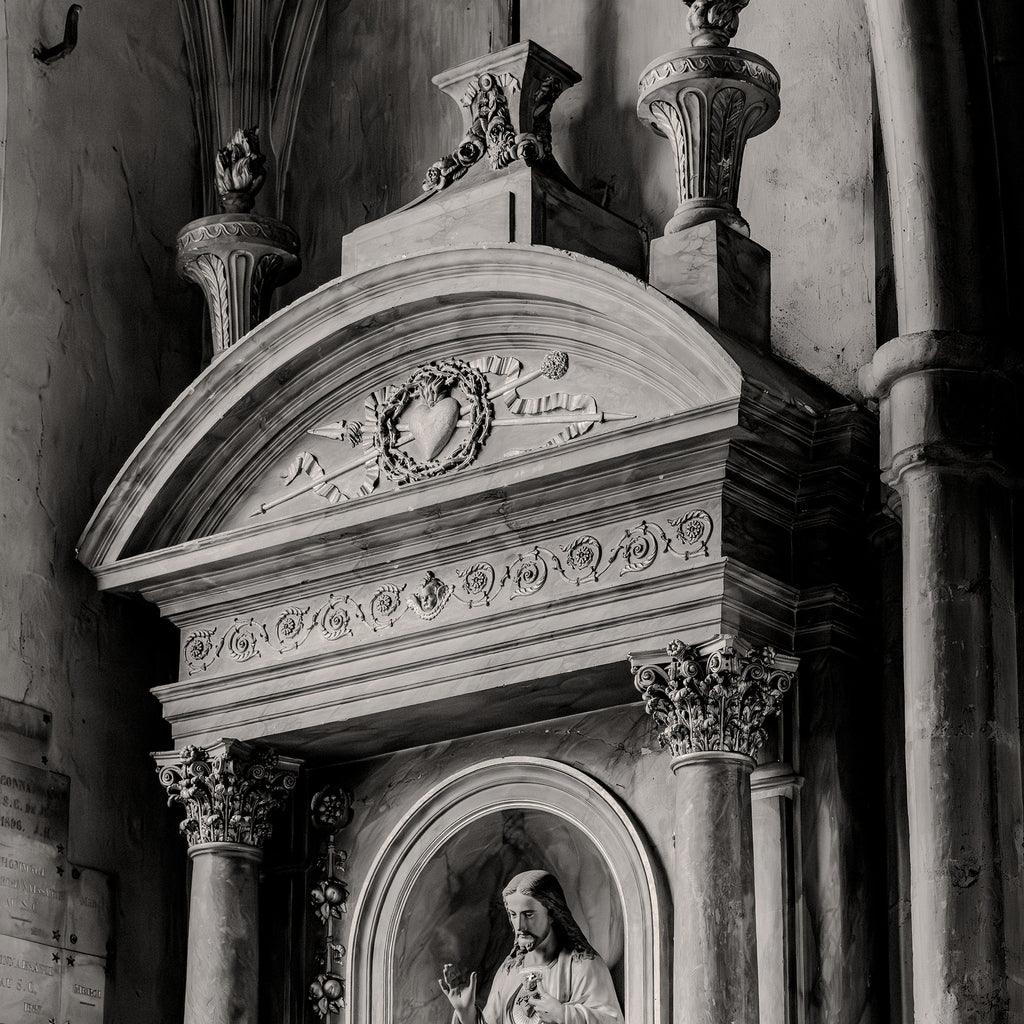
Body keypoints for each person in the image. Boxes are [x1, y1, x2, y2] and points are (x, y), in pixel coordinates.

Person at [439, 870, 623, 1024]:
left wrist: (563, 1015)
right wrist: (467, 1015)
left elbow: (612, 1020)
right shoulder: (509, 970)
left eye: (528, 914)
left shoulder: (582, 965)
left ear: (552, 913)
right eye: (513, 915)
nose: (519, 926)